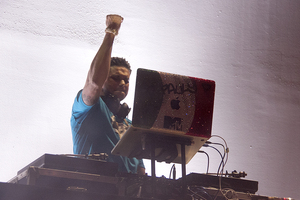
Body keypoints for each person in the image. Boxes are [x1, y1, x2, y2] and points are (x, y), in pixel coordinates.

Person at [70, 14, 145, 175]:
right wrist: (111, 33)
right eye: (116, 78)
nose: (123, 84)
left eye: (126, 80)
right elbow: (94, 83)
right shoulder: (88, 107)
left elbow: (140, 170)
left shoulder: (132, 126)